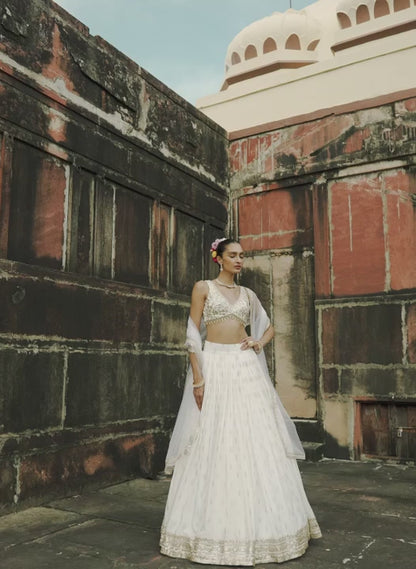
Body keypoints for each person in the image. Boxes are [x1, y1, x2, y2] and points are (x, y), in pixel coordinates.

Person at [160, 238, 321, 566]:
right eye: (233, 255)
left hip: (245, 366)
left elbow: (270, 327)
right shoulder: (203, 288)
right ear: (218, 257)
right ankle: (205, 530)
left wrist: (258, 341)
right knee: (213, 438)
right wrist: (198, 378)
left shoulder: (248, 295)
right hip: (215, 365)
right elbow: (192, 335)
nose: (239, 261)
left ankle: (269, 528)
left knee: (256, 439)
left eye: (242, 256)